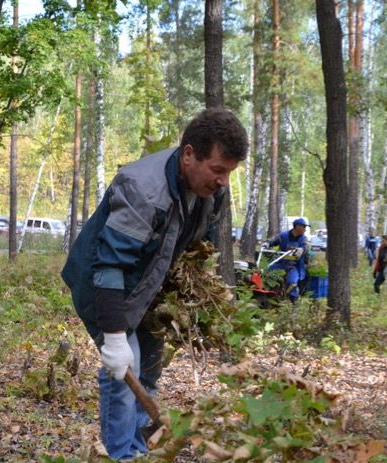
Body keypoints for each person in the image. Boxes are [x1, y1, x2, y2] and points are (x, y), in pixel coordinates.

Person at [61, 108, 248, 461]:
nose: (223, 181)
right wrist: (114, 338)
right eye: (218, 170)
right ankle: (123, 456)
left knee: (148, 370)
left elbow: (197, 246)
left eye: (230, 173)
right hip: (103, 287)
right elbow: (109, 267)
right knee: (122, 375)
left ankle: (139, 448)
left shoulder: (211, 191)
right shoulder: (143, 190)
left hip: (149, 284)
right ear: (189, 153)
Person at [263, 218, 310, 303]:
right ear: (297, 227)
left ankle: (293, 302)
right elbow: (274, 240)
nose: (305, 229)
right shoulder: (284, 236)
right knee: (267, 272)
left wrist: (302, 250)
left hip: (295, 266)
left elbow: (306, 246)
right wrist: (267, 243)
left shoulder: (303, 239)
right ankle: (270, 294)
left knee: (292, 283)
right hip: (281, 263)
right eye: (303, 227)